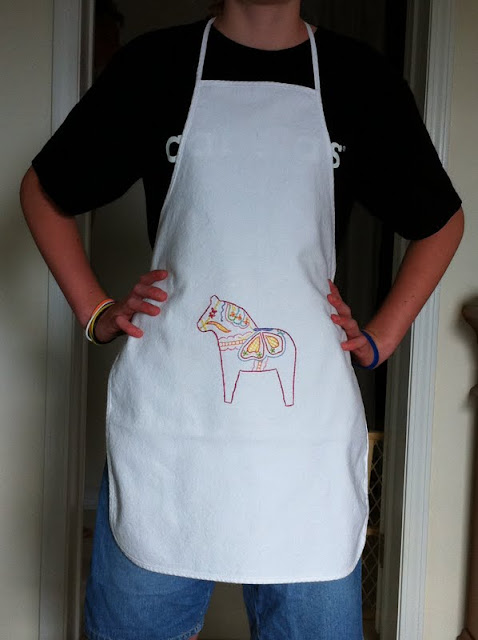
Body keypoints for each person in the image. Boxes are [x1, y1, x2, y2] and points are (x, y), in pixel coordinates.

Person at [20, 0, 464, 638]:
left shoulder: (359, 78)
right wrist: (96, 311)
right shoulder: (156, 66)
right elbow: (45, 191)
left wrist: (381, 336)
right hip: (173, 427)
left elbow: (441, 222)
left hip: (302, 437)